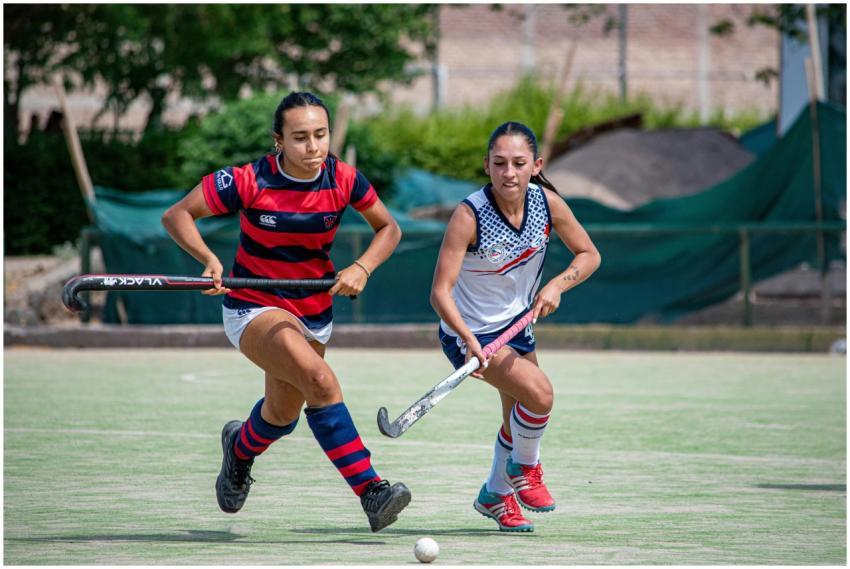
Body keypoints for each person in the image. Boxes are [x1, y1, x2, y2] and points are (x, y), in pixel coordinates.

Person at [161, 91, 411, 532]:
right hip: (254, 306)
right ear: (278, 141)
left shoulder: (343, 179)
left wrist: (362, 266)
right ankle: (372, 491)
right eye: (300, 138)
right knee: (319, 380)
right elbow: (178, 215)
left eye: (321, 135)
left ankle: (239, 449)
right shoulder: (247, 180)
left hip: (314, 311)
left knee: (281, 414)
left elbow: (388, 228)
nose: (313, 147)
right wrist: (209, 260)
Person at [430, 121, 601, 532]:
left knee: (517, 419)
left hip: (517, 326)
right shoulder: (469, 215)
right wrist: (469, 340)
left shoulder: (548, 204)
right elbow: (440, 292)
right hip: (469, 333)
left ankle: (495, 494)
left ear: (535, 165)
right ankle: (526, 469)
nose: (509, 173)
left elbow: (589, 254)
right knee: (540, 395)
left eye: (519, 163)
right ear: (486, 166)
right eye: (500, 163)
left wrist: (557, 285)